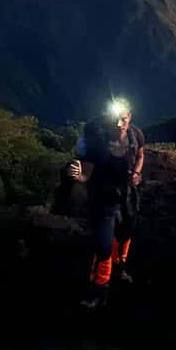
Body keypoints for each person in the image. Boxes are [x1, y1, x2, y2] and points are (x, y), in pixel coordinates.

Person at [69, 99, 145, 309]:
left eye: (123, 118)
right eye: (115, 118)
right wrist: (79, 176)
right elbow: (86, 173)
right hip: (104, 199)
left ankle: (119, 269)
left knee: (125, 233)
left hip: (127, 196)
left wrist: (137, 173)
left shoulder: (135, 136)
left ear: (130, 117)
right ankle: (99, 290)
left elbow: (140, 155)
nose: (119, 123)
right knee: (103, 246)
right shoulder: (98, 143)